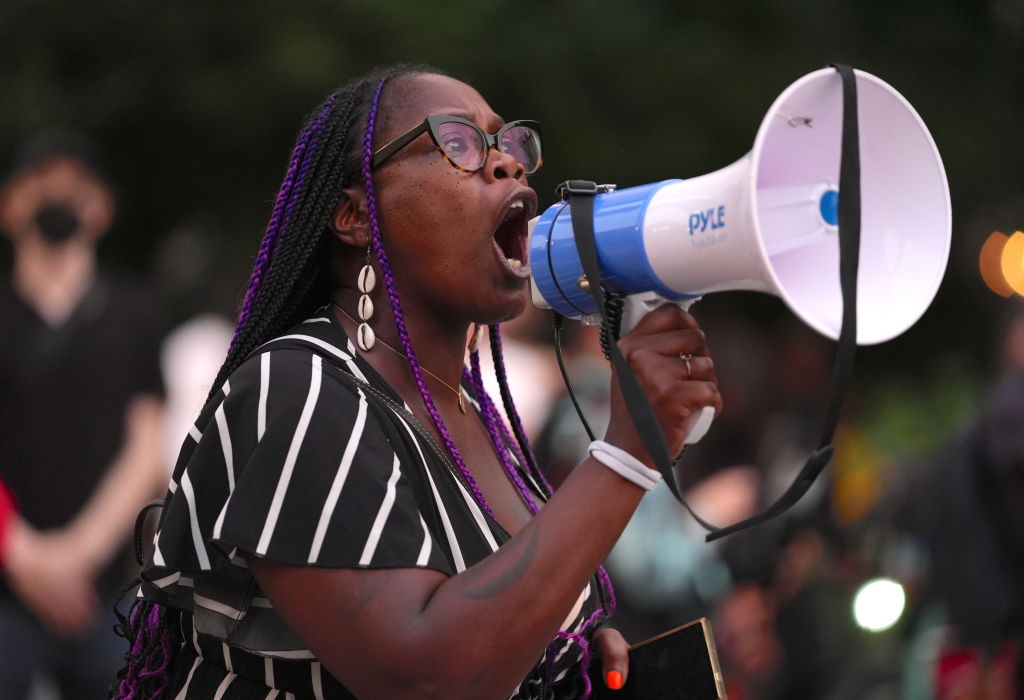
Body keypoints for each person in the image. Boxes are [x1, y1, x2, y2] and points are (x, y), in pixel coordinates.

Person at [118, 64, 722, 700]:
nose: (508, 164)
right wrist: (625, 456)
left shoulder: (473, 413)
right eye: (457, 143)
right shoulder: (297, 389)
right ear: (355, 215)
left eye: (510, 145)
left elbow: (484, 622)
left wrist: (552, 649)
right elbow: (424, 679)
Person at [0, 132, 167, 698]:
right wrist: (24, 558)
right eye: (41, 182)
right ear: (10, 204)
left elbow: (147, 449)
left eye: (75, 185)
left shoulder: (134, 312)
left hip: (104, 594)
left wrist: (75, 558)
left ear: (102, 208)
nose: (58, 195)